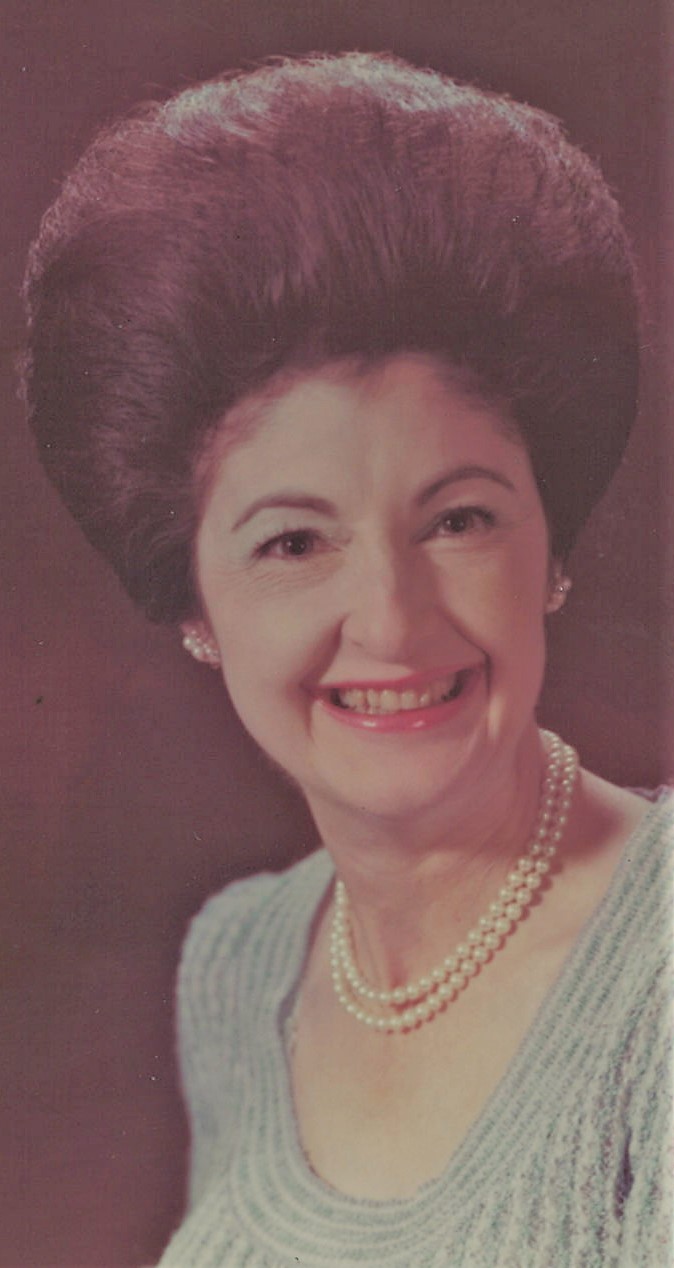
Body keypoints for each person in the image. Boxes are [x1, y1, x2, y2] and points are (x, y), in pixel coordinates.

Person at [22, 52, 671, 1268]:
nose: (389, 617)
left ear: (551, 546)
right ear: (192, 600)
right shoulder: (239, 962)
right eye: (292, 541)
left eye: (458, 518)